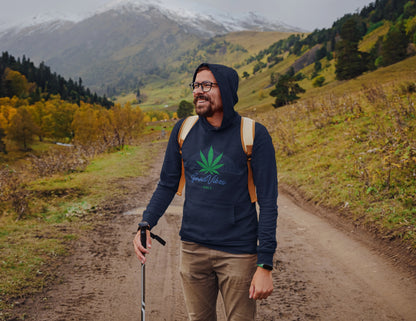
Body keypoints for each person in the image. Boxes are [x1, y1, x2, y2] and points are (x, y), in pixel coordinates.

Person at [133, 63, 278, 320]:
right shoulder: (183, 130)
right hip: (192, 250)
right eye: (196, 85)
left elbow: (268, 203)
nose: (199, 91)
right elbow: (167, 183)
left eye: (207, 85)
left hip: (239, 253)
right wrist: (146, 222)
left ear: (228, 90)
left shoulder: (254, 134)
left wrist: (264, 264)